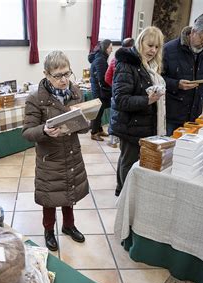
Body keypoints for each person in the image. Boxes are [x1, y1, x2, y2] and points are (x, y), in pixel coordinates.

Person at [22, 51, 89, 251]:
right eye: (58, 75)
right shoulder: (36, 99)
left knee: (70, 192)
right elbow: (27, 132)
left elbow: (84, 126)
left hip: (71, 153)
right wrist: (44, 130)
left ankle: (69, 226)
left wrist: (85, 122)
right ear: (46, 74)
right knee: (50, 198)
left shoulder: (75, 92)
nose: (64, 80)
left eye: (67, 74)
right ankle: (49, 230)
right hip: (50, 158)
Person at [110, 27, 166, 196]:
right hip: (130, 124)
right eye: (150, 45)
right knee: (129, 161)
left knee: (129, 160)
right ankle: (124, 195)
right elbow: (121, 99)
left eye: (157, 47)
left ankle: (123, 191)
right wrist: (147, 100)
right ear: (140, 42)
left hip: (141, 123)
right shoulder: (127, 64)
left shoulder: (150, 65)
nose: (153, 50)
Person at [162, 14, 203, 136]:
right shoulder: (169, 49)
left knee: (188, 150)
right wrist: (176, 84)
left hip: (195, 111)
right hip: (173, 112)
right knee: (169, 149)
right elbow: (157, 79)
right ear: (193, 31)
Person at [105, 37, 135, 148]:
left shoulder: (114, 60)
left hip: (116, 93)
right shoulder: (135, 61)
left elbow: (107, 77)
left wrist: (115, 87)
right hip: (130, 94)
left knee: (115, 116)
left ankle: (113, 141)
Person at [88, 39, 113, 141]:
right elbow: (102, 79)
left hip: (100, 90)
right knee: (98, 111)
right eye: (111, 48)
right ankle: (94, 133)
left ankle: (99, 129)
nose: (111, 50)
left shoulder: (100, 58)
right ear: (106, 48)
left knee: (100, 110)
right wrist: (110, 89)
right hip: (100, 91)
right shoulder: (100, 60)